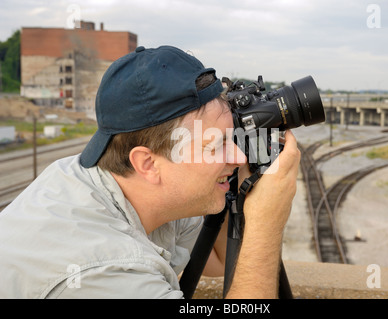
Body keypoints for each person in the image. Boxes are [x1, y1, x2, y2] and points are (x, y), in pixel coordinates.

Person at [0, 45, 300, 298]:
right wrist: (265, 224)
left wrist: (235, 185)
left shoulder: (100, 180)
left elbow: (222, 261)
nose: (236, 156)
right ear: (147, 163)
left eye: (231, 137)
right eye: (217, 145)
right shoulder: (100, 272)